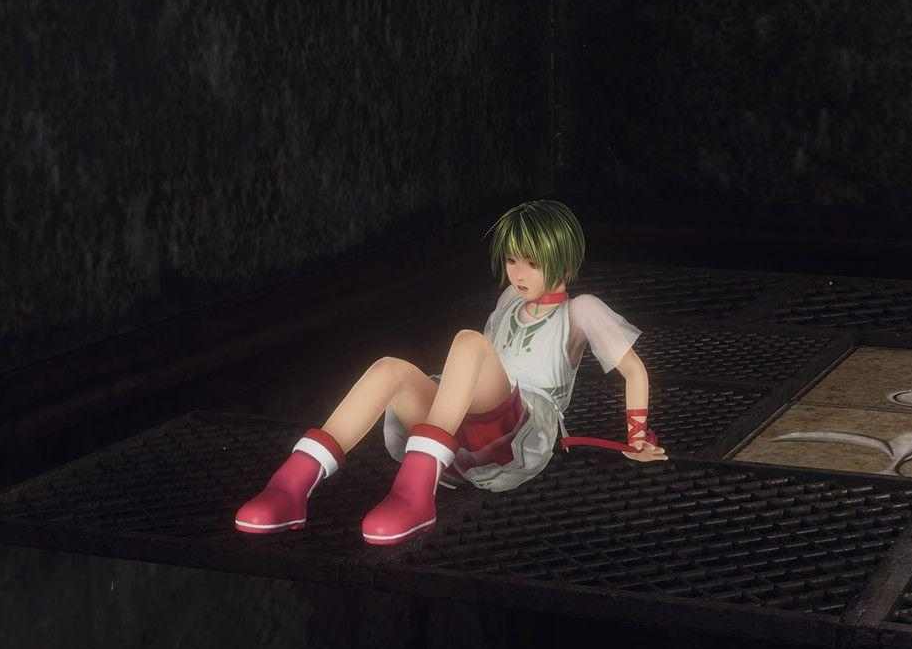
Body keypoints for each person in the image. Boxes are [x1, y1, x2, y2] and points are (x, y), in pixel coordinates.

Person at [235, 200, 665, 545]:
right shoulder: (509, 302)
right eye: (512, 260)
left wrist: (637, 436)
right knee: (390, 369)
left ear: (563, 264)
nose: (517, 274)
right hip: (463, 434)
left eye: (531, 263)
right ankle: (289, 488)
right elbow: (475, 370)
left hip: (523, 429)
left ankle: (414, 496)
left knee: (468, 342)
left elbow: (634, 370)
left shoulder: (581, 309)